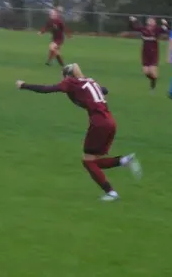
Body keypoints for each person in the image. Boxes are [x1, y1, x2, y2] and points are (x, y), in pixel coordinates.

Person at [15, 63, 142, 201]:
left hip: (99, 124)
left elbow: (47, 89)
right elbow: (104, 90)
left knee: (88, 162)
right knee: (93, 161)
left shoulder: (71, 83)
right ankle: (124, 161)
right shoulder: (90, 81)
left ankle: (111, 193)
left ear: (68, 76)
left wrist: (24, 85)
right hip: (110, 122)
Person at [129, 16, 168, 90]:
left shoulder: (157, 29)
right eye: (149, 20)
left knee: (152, 71)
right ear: (147, 22)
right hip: (145, 53)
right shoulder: (143, 29)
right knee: (146, 72)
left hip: (154, 53)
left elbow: (165, 30)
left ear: (155, 22)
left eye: (152, 21)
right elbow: (134, 27)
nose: (150, 22)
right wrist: (133, 21)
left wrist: (165, 23)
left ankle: (153, 85)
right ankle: (153, 80)